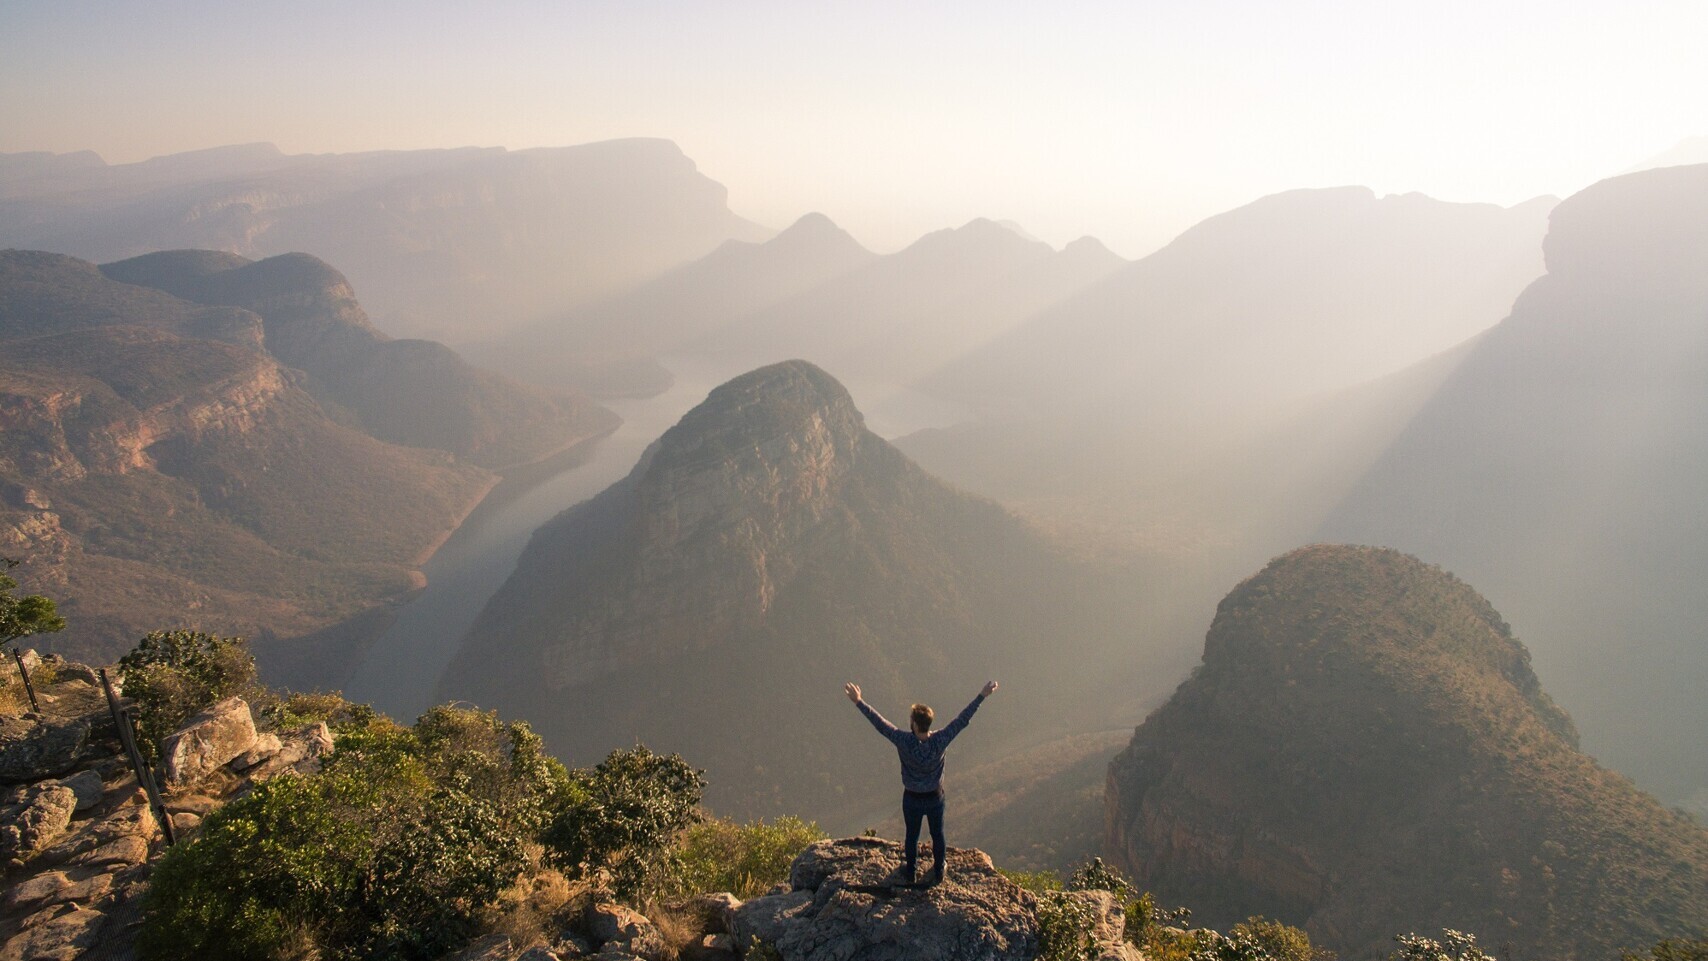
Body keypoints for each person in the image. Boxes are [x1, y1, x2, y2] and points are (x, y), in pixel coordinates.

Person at [844, 678, 998, 885]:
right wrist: (981, 696)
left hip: (912, 799)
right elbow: (962, 720)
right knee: (937, 834)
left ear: (914, 724)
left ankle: (911, 871)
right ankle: (939, 868)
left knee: (912, 836)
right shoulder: (940, 740)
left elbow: (880, 724)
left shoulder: (903, 741)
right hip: (935, 797)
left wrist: (859, 702)